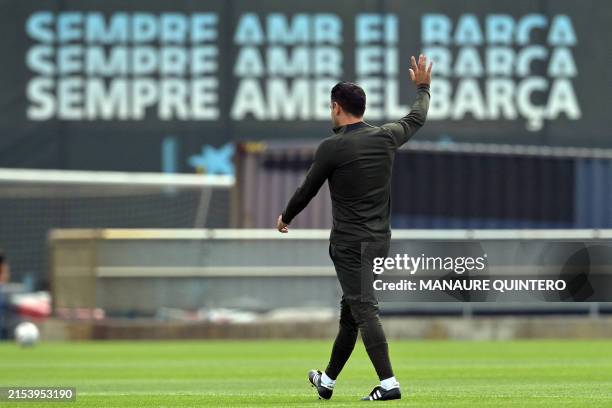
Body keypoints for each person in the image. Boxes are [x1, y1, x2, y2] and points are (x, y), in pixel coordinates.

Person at [276, 54, 432, 401]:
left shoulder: (332, 147)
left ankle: (389, 384)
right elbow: (417, 116)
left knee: (363, 310)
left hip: (349, 246)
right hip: (378, 243)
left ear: (336, 107)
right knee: (350, 314)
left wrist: (286, 217)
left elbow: (307, 189)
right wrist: (423, 88)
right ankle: (327, 381)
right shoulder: (386, 137)